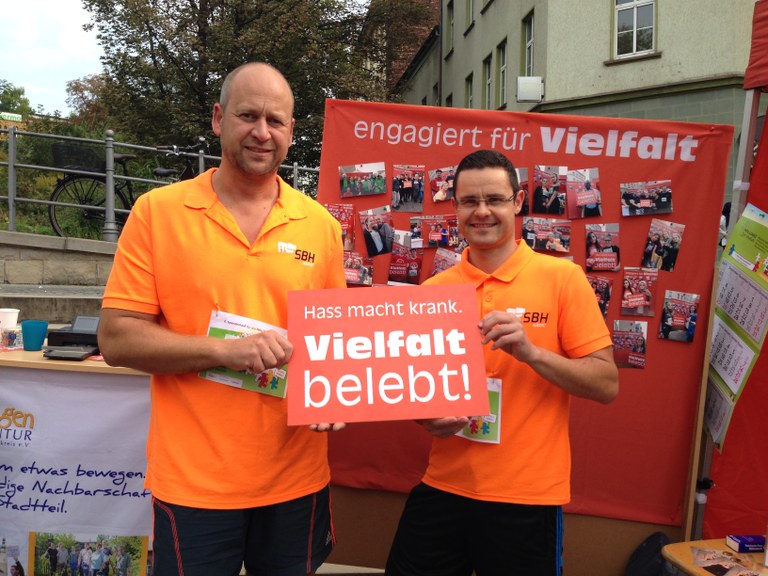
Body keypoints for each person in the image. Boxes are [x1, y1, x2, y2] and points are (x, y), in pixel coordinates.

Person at [98, 62, 346, 576]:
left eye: (276, 121)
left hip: (296, 479)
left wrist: (335, 394)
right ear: (218, 119)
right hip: (195, 483)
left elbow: (333, 344)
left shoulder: (319, 225)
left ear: (292, 132)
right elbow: (117, 339)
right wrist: (222, 351)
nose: (262, 132)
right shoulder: (158, 212)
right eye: (248, 115)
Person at [385, 150, 619, 576]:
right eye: (469, 201)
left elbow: (606, 384)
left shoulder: (563, 278)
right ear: (454, 206)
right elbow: (417, 390)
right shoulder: (433, 289)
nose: (482, 212)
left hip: (527, 500)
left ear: (518, 201)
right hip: (445, 486)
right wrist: (423, 415)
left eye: (494, 199)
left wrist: (531, 353)